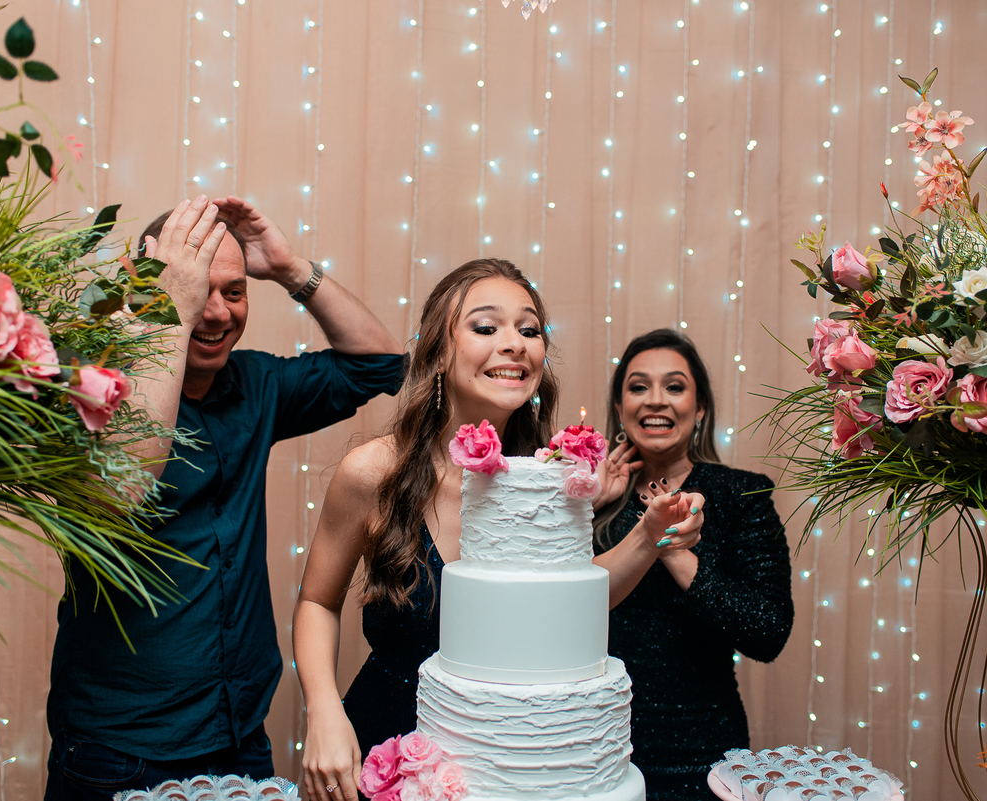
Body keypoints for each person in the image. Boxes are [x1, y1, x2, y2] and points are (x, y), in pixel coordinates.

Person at [292, 259, 705, 801]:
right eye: (486, 327)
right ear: (439, 353)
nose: (514, 344)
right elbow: (317, 602)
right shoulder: (374, 472)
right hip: (387, 746)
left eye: (529, 330)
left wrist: (649, 535)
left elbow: (572, 598)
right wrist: (323, 711)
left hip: (507, 772)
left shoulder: (548, 478)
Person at [44, 195, 407, 801]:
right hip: (120, 747)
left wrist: (289, 269)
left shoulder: (257, 383)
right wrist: (168, 315)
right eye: (193, 291)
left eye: (233, 292)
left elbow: (382, 365)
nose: (214, 312)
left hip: (239, 734)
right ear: (144, 289)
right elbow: (122, 489)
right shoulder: (87, 388)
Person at [591, 328, 794, 801]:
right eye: (638, 387)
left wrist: (674, 550)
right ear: (620, 408)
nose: (655, 400)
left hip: (704, 753)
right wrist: (584, 505)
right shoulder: (591, 499)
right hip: (595, 744)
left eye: (675, 386)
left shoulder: (742, 495)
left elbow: (768, 633)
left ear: (700, 407)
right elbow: (552, 611)